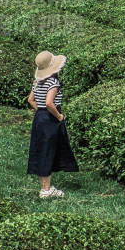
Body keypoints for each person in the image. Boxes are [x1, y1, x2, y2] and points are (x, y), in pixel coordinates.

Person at [26, 50, 78, 198]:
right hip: (49, 119)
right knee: (48, 151)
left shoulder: (38, 82)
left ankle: (44, 187)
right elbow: (49, 103)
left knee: (41, 150)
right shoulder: (53, 82)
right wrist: (59, 115)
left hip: (39, 118)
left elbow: (31, 100)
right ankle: (47, 190)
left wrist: (40, 110)